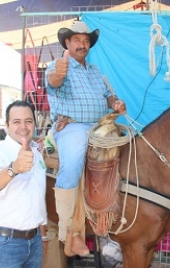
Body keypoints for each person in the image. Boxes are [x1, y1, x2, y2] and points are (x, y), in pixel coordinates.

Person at [45, 20, 126, 257]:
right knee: (72, 164)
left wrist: (116, 103)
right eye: (78, 40)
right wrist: (58, 74)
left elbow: (108, 97)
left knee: (128, 155)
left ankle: (107, 219)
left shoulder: (95, 71)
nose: (83, 44)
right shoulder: (58, 66)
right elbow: (53, 81)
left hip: (100, 125)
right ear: (67, 43)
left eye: (86, 40)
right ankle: (70, 231)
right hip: (73, 126)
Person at [0, 100, 48, 268]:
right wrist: (14, 168)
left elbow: (38, 197)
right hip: (5, 243)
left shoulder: (37, 154)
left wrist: (43, 236)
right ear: (7, 125)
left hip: (34, 241)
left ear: (34, 123)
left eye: (28, 121)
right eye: (17, 122)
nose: (23, 126)